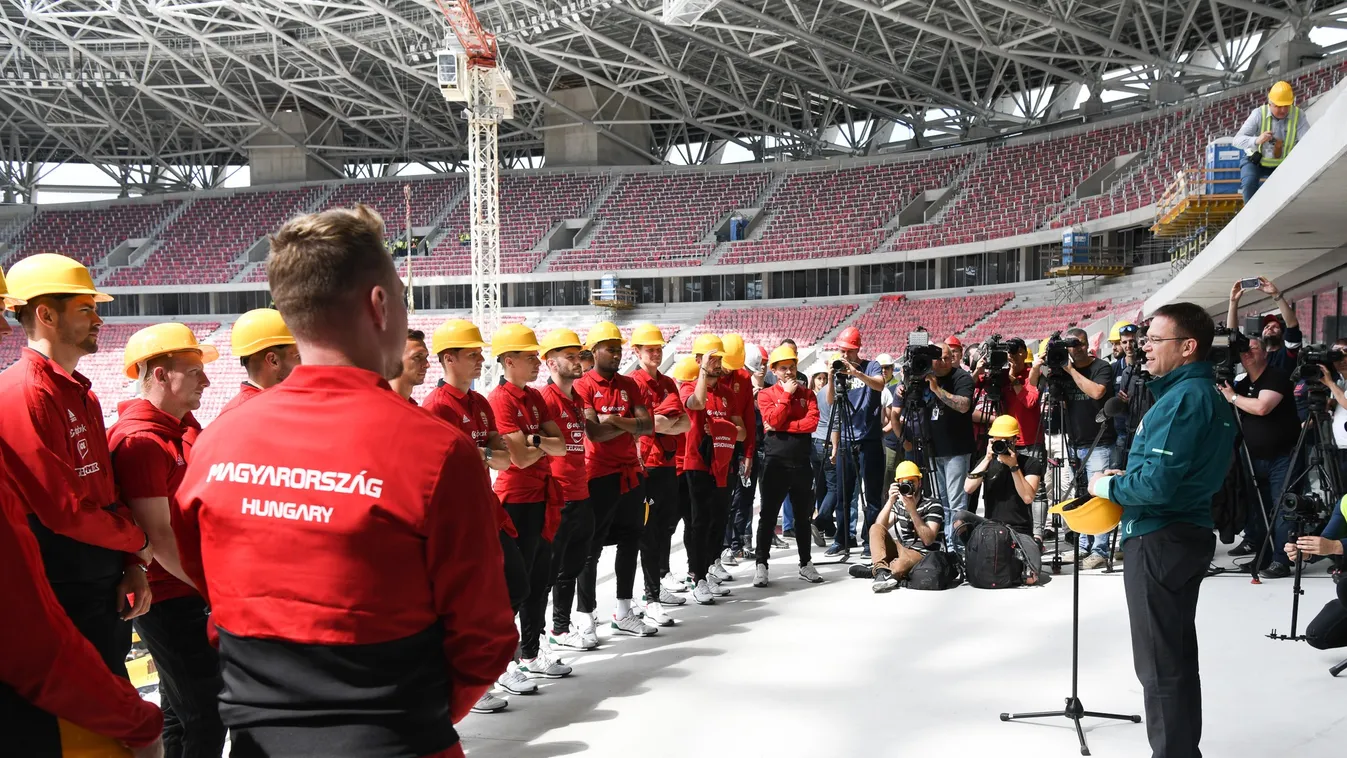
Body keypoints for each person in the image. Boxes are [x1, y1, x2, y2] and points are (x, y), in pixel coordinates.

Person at [172, 204, 518, 756]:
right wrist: (403, 714)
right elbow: (486, 636)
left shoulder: (216, 444)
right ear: (380, 305)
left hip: (257, 740)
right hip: (396, 738)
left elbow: (212, 592)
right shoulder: (434, 450)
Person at [0, 270, 165, 758]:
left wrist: (133, 563)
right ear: (46, 314)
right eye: (86, 308)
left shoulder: (82, 392)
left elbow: (103, 491)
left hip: (103, 586)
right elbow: (64, 509)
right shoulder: (22, 392)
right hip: (66, 594)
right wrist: (136, 543)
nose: (99, 318)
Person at [1087, 302, 1235, 758]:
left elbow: (1156, 484)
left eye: (1154, 339)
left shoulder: (1185, 399)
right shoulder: (1198, 394)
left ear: (1188, 347)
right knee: (1172, 658)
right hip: (1179, 534)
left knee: (1160, 665)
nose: (1143, 347)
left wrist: (1108, 486)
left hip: (1161, 537)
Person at [111, 325, 225, 758]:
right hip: (170, 596)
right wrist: (211, 588)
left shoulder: (178, 430)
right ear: (159, 375)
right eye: (195, 371)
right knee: (206, 716)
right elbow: (157, 536)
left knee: (184, 713)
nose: (207, 380)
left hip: (187, 589)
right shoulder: (140, 441)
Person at [421, 319, 522, 710]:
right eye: (472, 354)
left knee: (516, 586)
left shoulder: (479, 403)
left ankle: (491, 668)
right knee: (476, 598)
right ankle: (472, 679)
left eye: (480, 353)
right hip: (459, 516)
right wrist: (482, 454)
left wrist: (474, 453)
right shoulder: (436, 406)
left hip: (486, 507)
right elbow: (446, 466)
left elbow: (503, 457)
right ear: (448, 359)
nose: (481, 360)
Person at [488, 323, 574, 681]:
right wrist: (539, 444)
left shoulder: (535, 398)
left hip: (541, 497)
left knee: (540, 580)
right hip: (515, 500)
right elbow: (518, 459)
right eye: (529, 357)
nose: (537, 362)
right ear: (509, 361)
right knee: (515, 584)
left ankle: (531, 652)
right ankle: (504, 662)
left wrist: (531, 439)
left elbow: (561, 445)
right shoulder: (500, 400)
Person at [574, 322, 658, 638]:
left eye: (618, 347)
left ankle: (624, 610)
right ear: (594, 351)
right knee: (590, 548)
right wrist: (628, 425)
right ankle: (586, 615)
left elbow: (648, 426)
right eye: (610, 348)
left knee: (631, 539)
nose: (617, 352)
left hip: (630, 474)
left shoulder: (628, 384)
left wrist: (614, 420)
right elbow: (593, 432)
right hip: (598, 474)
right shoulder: (583, 386)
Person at [538, 329, 600, 651]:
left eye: (578, 356)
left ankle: (560, 629)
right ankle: (533, 637)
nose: (577, 362)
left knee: (572, 568)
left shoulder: (576, 398)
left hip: (581, 492)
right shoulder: (545, 399)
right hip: (557, 498)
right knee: (548, 572)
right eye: (569, 357)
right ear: (550, 363)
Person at [1033, 327, 1115, 569]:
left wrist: (1070, 370)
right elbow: (1033, 385)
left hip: (1099, 442)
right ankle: (1083, 546)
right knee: (1081, 497)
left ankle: (1100, 549)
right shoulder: (1060, 369)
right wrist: (1041, 366)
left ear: (1087, 344)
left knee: (1099, 496)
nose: (1075, 348)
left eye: (1079, 344)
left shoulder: (1101, 367)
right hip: (1074, 441)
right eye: (1071, 345)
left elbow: (1097, 392)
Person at [1218, 335, 1300, 577]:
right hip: (1253, 459)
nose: (1247, 354)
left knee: (1282, 508)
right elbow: (1231, 340)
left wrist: (1232, 397)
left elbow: (1262, 407)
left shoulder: (1276, 376)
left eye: (1252, 349)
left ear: (1265, 353)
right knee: (1259, 510)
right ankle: (1263, 558)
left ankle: (1281, 561)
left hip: (1283, 457)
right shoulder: (1242, 384)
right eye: (1244, 351)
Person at [628, 324, 692, 622]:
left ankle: (660, 580)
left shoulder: (667, 382)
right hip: (646, 466)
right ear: (637, 352)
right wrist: (662, 420)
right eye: (649, 349)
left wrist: (659, 419)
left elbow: (684, 423)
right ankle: (650, 595)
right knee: (649, 532)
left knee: (666, 526)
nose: (655, 353)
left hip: (667, 464)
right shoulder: (634, 383)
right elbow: (646, 424)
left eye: (658, 348)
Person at [681, 334, 746, 604]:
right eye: (712, 359)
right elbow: (695, 403)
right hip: (697, 463)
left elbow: (741, 433)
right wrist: (703, 373)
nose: (717, 364)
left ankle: (707, 572)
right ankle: (696, 576)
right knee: (699, 523)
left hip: (723, 465)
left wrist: (722, 428)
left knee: (719, 521)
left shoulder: (728, 393)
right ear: (699, 361)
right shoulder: (688, 387)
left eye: (719, 359)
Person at [754, 344, 823, 586]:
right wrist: (785, 396)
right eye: (783, 368)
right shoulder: (765, 394)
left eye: (792, 367)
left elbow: (811, 423)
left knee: (803, 517)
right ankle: (761, 564)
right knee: (768, 516)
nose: (789, 372)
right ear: (774, 370)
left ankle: (806, 563)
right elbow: (771, 419)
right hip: (775, 464)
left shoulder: (808, 394)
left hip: (802, 462)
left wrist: (784, 427)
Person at [956, 415, 1046, 581]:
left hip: (1018, 530)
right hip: (991, 527)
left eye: (1005, 440)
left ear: (1014, 440)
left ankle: (1034, 546)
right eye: (997, 440)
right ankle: (974, 552)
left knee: (1032, 577)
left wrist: (1013, 467)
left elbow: (1028, 497)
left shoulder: (1030, 463)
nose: (1001, 444)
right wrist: (988, 458)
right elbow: (968, 488)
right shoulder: (986, 462)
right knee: (960, 518)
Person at [825, 326, 887, 558]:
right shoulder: (838, 369)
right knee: (843, 494)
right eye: (842, 351)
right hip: (846, 440)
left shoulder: (871, 366)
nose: (845, 356)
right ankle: (842, 538)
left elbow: (879, 385)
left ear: (858, 349)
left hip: (869, 438)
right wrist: (832, 377)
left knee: (871, 495)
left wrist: (856, 373)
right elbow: (831, 402)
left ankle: (870, 541)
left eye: (849, 351)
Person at [912, 342, 975, 551]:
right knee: (941, 503)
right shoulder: (923, 376)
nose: (945, 361)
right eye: (940, 358)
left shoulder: (961, 377)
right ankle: (946, 546)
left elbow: (964, 405)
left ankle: (957, 548)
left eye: (948, 357)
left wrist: (937, 390)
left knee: (956, 503)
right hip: (933, 449)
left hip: (956, 449)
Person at [868, 461, 944, 592]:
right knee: (874, 528)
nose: (909, 486)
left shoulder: (933, 505)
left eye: (912, 481)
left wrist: (912, 511)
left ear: (919, 482)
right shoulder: (899, 505)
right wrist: (890, 501)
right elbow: (880, 526)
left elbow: (929, 540)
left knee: (899, 566)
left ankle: (876, 570)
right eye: (904, 482)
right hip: (903, 548)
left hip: (922, 554)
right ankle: (881, 571)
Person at [1233, 80, 1310, 203]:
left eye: (1287, 106)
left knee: (1292, 189)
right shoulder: (1258, 114)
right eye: (1279, 106)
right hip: (1255, 161)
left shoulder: (1298, 115)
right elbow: (1237, 140)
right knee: (1249, 184)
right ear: (1270, 104)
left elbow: (1307, 141)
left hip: (1282, 162)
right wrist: (1257, 140)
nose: (1283, 110)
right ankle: (1250, 217)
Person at [719, 334, 759, 567]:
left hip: (735, 446)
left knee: (732, 500)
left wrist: (749, 454)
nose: (726, 373)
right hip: (711, 448)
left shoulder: (743, 378)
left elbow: (748, 420)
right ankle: (719, 549)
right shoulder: (707, 376)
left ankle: (728, 546)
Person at [218, 307, 299, 416]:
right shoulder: (264, 412)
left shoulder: (235, 410)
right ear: (273, 360)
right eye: (298, 357)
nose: (303, 364)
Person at [1290, 501, 1347, 650]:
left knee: (1345, 586)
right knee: (1318, 635)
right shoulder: (1345, 502)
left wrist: (1337, 546)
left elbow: (1333, 545)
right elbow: (1327, 540)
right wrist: (1306, 552)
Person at [1226, 277, 1301, 374]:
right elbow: (1232, 334)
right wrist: (1233, 302)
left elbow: (1292, 325)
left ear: (1283, 335)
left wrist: (1275, 294)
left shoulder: (1286, 354)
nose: (1270, 328)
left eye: (1275, 327)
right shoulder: (1255, 354)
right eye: (1266, 327)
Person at [808, 371, 837, 548]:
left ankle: (828, 526)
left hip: (814, 441)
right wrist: (835, 447)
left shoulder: (817, 393)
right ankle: (819, 522)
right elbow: (835, 422)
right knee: (835, 488)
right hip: (826, 441)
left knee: (822, 488)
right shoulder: (831, 392)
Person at [389, 328, 429, 401]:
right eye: (417, 357)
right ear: (395, 359)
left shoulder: (413, 407)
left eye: (426, 357)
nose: (427, 365)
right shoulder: (381, 406)